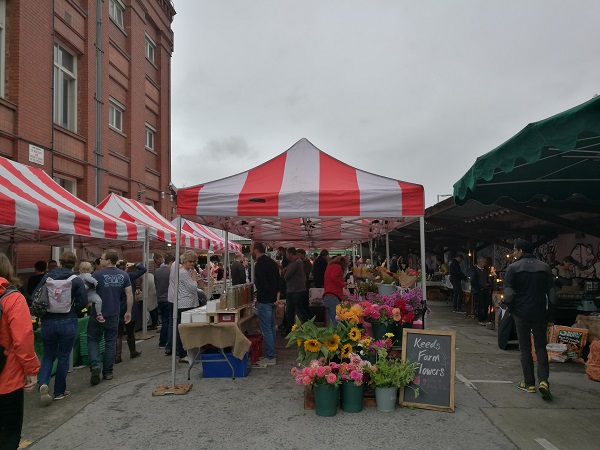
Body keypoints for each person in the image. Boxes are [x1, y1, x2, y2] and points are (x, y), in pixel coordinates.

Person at [503, 239, 556, 401]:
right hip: (540, 312)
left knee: (525, 347)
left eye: (514, 251)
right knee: (541, 346)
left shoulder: (513, 268)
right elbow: (553, 295)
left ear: (519, 251)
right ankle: (544, 381)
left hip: (521, 313)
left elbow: (509, 294)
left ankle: (529, 383)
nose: (513, 254)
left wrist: (509, 308)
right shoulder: (545, 268)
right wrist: (551, 315)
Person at [33, 251, 87, 403]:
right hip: (68, 320)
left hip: (48, 322)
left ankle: (43, 383)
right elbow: (83, 302)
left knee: (48, 355)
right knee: (64, 356)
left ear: (60, 261)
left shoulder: (48, 276)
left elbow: (35, 296)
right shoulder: (75, 280)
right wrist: (73, 309)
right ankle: (59, 391)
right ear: (74, 263)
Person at [0, 253, 40, 449]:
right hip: (6, 378)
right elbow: (22, 339)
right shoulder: (12, 298)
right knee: (9, 433)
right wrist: (31, 370)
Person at [88, 249, 133, 385]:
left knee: (93, 339)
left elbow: (86, 290)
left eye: (101, 258)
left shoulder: (97, 274)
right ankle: (108, 372)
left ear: (108, 261)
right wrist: (128, 311)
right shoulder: (123, 275)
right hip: (114, 312)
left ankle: (95, 365)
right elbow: (129, 294)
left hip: (97, 313)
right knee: (110, 341)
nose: (100, 260)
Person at [167, 250, 200, 362]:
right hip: (185, 304)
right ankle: (182, 353)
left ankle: (185, 352)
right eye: (190, 261)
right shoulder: (183, 273)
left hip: (187, 303)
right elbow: (192, 287)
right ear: (184, 261)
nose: (192, 264)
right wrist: (194, 277)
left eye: (194, 261)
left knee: (183, 329)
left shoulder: (185, 271)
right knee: (183, 330)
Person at [252, 242, 280, 366]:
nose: (251, 252)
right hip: (273, 299)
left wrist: (257, 295)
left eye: (252, 250)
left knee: (266, 329)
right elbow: (280, 281)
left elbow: (262, 283)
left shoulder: (259, 265)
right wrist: (277, 297)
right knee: (271, 327)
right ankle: (271, 353)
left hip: (264, 300)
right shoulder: (272, 263)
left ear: (256, 250)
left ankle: (270, 356)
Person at [114, 261, 146, 364]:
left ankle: (117, 356)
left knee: (118, 333)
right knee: (130, 332)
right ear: (126, 268)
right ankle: (133, 351)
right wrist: (134, 264)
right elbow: (143, 269)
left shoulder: (113, 277)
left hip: (117, 307)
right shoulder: (129, 276)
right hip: (129, 307)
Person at [283, 247, 309, 334]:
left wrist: (285, 271)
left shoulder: (296, 263)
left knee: (297, 312)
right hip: (295, 290)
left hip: (295, 291)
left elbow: (287, 276)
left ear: (291, 254)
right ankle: (289, 330)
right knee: (293, 312)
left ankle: (308, 328)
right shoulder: (295, 262)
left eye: (287, 254)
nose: (286, 256)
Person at [154, 254, 174, 349]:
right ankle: (165, 342)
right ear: (171, 262)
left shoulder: (157, 271)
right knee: (168, 321)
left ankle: (163, 342)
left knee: (164, 321)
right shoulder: (171, 271)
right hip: (168, 298)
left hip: (159, 298)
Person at [323, 256, 349, 327]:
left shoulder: (330, 267)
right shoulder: (338, 267)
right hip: (333, 296)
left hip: (328, 296)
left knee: (329, 321)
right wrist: (343, 284)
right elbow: (333, 277)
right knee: (335, 321)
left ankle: (328, 337)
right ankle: (335, 336)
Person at [470, 257, 491, 325]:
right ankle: (481, 319)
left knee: (486, 304)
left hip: (485, 289)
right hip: (479, 290)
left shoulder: (485, 270)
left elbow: (486, 279)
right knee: (480, 305)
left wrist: (488, 284)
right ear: (479, 263)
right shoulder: (475, 270)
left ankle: (485, 318)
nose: (485, 263)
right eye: (483, 262)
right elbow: (473, 281)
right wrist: (479, 287)